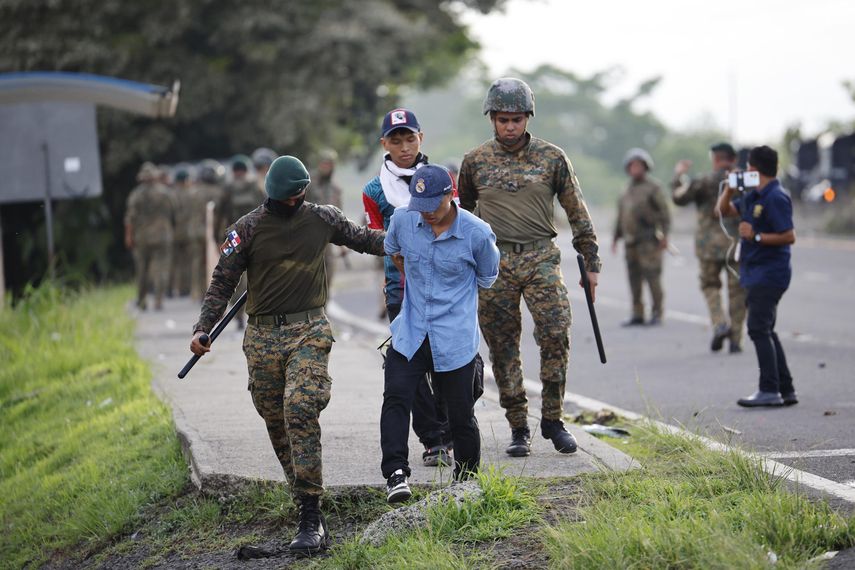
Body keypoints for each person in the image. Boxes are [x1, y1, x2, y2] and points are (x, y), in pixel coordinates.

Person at [189, 156, 385, 554]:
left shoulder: (324, 219)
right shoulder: (247, 230)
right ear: (273, 196)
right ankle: (304, 502)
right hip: (261, 336)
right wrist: (202, 327)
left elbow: (366, 239)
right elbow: (221, 283)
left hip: (309, 329)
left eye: (299, 195)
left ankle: (311, 517)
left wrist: (412, 239)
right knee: (275, 417)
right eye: (286, 198)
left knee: (300, 406)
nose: (294, 203)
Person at [458, 77, 601, 458]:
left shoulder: (552, 158)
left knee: (556, 332)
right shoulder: (474, 161)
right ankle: (518, 425)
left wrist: (591, 262)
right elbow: (461, 215)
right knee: (502, 346)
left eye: (516, 119)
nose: (509, 126)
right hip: (494, 262)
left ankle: (553, 419)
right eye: (503, 119)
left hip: (541, 257)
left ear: (528, 117)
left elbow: (577, 211)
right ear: (492, 118)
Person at [381, 164, 499, 502]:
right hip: (412, 332)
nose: (428, 213)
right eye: (422, 205)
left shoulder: (477, 233)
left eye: (434, 204)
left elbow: (488, 277)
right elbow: (394, 251)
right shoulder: (404, 220)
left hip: (455, 337)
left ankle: (466, 483)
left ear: (451, 195)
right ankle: (396, 473)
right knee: (396, 396)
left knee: (460, 415)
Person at [363, 108, 454, 467]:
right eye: (396, 141)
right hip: (400, 288)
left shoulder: (442, 179)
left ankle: (451, 431)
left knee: (448, 362)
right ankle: (433, 439)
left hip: (444, 285)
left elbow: (455, 222)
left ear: (421, 138)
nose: (404, 147)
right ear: (384, 143)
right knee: (408, 364)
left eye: (410, 139)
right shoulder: (374, 191)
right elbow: (375, 239)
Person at [716, 146, 797, 407]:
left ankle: (769, 389)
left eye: (747, 166)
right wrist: (729, 187)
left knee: (758, 329)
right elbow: (724, 211)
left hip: (770, 272)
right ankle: (786, 389)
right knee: (766, 329)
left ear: (753, 169)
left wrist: (757, 236)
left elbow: (789, 235)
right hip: (755, 271)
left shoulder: (776, 197)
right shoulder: (753, 196)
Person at [672, 143, 747, 352]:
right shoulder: (743, 181)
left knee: (710, 286)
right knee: (738, 292)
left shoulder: (702, 181)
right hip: (737, 244)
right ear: (734, 159)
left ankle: (720, 323)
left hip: (708, 245)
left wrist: (678, 176)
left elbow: (678, 198)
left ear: (715, 159)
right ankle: (736, 339)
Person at [612, 148, 670, 326]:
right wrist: (616, 238)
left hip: (649, 241)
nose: (635, 168)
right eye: (632, 165)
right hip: (631, 242)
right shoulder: (626, 189)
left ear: (645, 167)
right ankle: (637, 313)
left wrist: (664, 236)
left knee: (653, 277)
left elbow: (664, 214)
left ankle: (657, 313)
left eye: (639, 165)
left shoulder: (654, 188)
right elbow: (621, 216)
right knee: (634, 279)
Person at [222, 154, 266, 328]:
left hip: (234, 235)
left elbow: (220, 211)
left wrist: (220, 235)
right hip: (255, 234)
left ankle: (237, 313)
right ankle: (252, 312)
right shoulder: (256, 186)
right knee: (254, 273)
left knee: (233, 272)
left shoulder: (227, 188)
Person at [124, 162, 175, 310]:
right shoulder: (166, 193)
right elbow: (174, 213)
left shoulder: (136, 195)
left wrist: (128, 236)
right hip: (163, 235)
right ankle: (159, 300)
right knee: (161, 269)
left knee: (142, 270)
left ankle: (142, 300)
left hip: (142, 237)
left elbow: (130, 218)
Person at [187, 159, 226, 300]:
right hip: (214, 233)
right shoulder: (219, 192)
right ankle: (213, 293)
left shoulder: (193, 192)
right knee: (215, 263)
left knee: (197, 263)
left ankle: (197, 293)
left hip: (195, 231)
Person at [311, 149, 345, 292]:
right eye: (323, 164)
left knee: (328, 276)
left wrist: (343, 243)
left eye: (329, 164)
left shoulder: (336, 189)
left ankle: (323, 309)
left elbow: (340, 218)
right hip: (307, 238)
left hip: (327, 241)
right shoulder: (308, 184)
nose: (326, 167)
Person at [169, 164, 195, 297]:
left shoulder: (170, 194)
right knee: (188, 262)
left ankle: (172, 288)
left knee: (174, 262)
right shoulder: (192, 193)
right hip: (189, 231)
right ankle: (186, 288)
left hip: (174, 232)